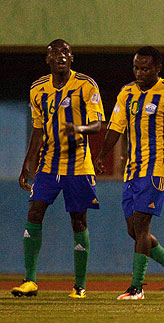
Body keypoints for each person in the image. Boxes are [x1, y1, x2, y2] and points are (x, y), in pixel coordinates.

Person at [11, 39, 105, 299]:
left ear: (72, 58)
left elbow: (98, 124)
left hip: (78, 163)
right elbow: (38, 129)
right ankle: (30, 280)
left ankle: (80, 285)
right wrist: (27, 163)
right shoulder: (37, 89)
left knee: (78, 220)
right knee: (34, 212)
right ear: (47, 59)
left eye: (65, 52)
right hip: (49, 163)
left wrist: (80, 129)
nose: (60, 56)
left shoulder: (86, 85)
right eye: (55, 53)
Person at [94, 46, 164, 300]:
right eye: (136, 67)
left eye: (145, 68)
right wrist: (103, 154)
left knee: (142, 225)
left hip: (157, 168)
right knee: (133, 231)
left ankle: (137, 288)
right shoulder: (127, 93)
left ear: (158, 68)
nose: (140, 72)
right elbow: (115, 126)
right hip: (132, 168)